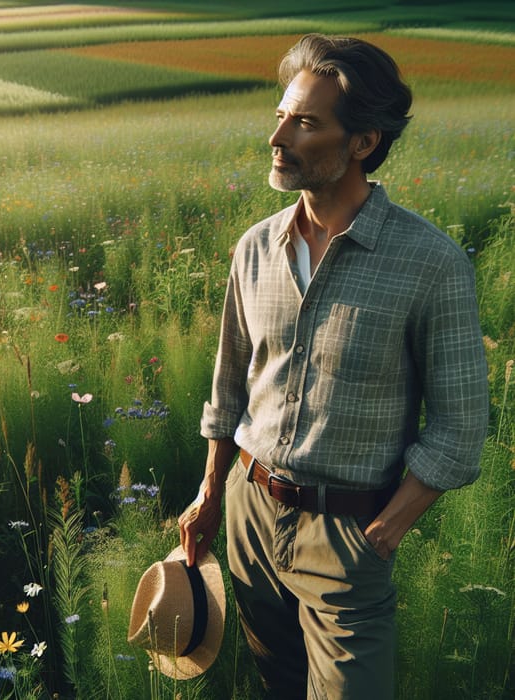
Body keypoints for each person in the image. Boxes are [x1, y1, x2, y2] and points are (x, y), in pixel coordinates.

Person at [178, 34, 489, 700]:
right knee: (278, 687)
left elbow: (461, 428)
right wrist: (211, 492)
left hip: (348, 538)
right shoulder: (255, 248)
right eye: (282, 115)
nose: (278, 136)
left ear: (363, 142)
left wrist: (387, 527)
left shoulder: (429, 263)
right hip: (249, 514)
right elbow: (229, 386)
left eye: (305, 122)